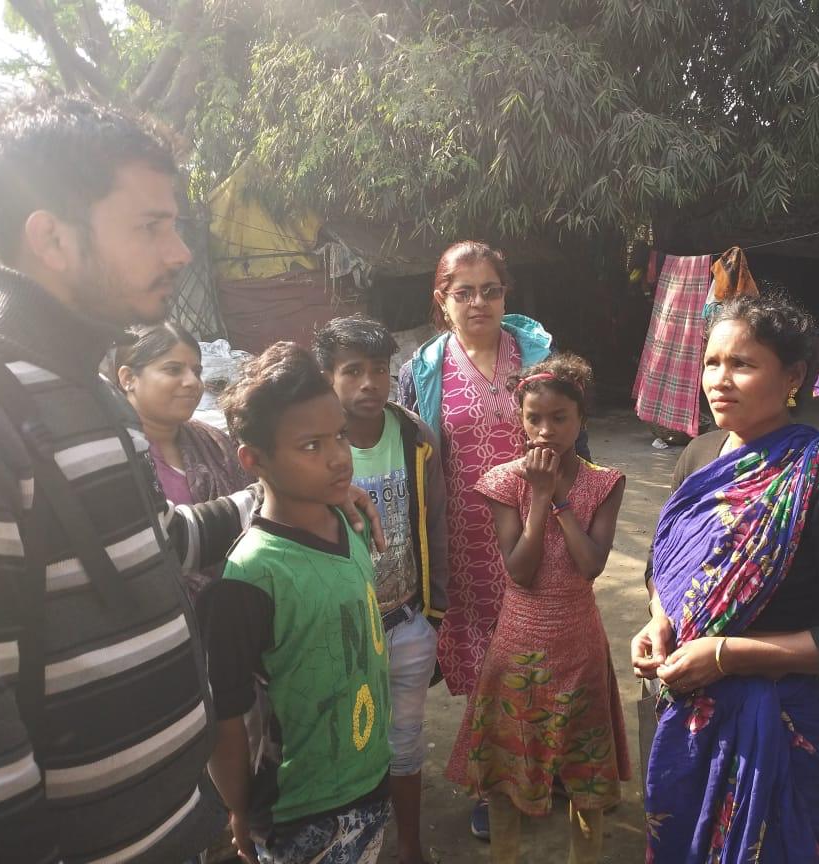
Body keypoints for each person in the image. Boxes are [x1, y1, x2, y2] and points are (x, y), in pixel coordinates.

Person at [0, 93, 379, 863]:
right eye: (149, 226)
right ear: (52, 237)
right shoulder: (1, 409)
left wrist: (284, 490)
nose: (178, 253)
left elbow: (159, 541)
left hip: (173, 828)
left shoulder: (92, 392)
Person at [630, 294, 819, 863]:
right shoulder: (700, 456)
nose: (719, 381)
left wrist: (726, 656)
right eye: (711, 362)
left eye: (742, 364)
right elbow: (663, 565)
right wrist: (659, 620)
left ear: (792, 376)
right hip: (682, 709)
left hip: (776, 728)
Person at [397, 240, 585, 838]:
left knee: (546, 648)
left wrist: (575, 512)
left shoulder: (537, 357)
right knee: (489, 661)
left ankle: (545, 767)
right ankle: (494, 782)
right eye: (464, 292)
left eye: (490, 290)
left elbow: (573, 440)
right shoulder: (423, 370)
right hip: (466, 538)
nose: (478, 302)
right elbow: (412, 457)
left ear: (506, 295)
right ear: (442, 300)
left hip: (539, 524)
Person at [202, 342, 393, 864]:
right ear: (254, 459)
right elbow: (227, 718)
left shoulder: (352, 523)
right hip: (299, 815)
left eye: (339, 436)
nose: (338, 457)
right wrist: (238, 808)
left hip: (371, 782)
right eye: (311, 446)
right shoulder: (250, 577)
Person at [446, 353, 628, 864]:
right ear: (520, 419)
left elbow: (590, 565)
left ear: (581, 419)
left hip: (578, 641)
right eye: (533, 418)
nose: (545, 430)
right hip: (519, 642)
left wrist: (559, 500)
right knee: (508, 768)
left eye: (559, 418)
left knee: (584, 770)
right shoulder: (504, 481)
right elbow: (520, 572)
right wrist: (539, 498)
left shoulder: (605, 482)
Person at [314, 315, 449, 864]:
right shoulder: (314, 448)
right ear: (327, 377)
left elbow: (436, 523)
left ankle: (410, 844)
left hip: (406, 617)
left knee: (406, 740)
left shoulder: (415, 436)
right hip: (341, 628)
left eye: (379, 368)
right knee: (346, 740)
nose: (369, 382)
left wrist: (434, 613)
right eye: (352, 371)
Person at [112, 321, 251, 595]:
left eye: (196, 371)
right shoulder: (116, 455)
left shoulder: (215, 442)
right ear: (128, 378)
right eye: (173, 369)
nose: (192, 382)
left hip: (234, 602)